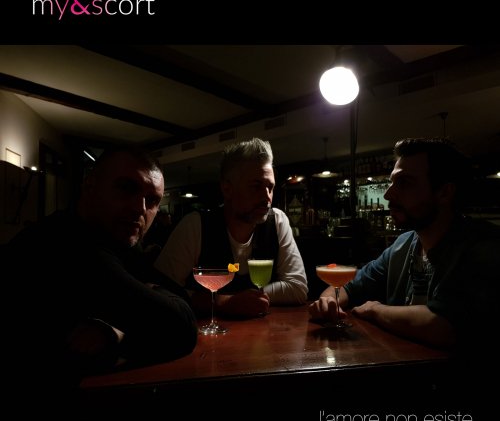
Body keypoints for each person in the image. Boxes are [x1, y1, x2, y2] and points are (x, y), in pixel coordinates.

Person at [1, 147, 198, 418]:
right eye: (126, 188)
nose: (140, 209)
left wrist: (114, 330)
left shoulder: (119, 244)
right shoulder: (66, 245)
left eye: (152, 200)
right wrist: (129, 326)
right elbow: (180, 327)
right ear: (90, 185)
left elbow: (181, 301)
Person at [309, 137, 500, 353]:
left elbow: (443, 326)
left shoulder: (485, 247)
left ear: (444, 192)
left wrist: (376, 310)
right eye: (392, 182)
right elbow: (350, 286)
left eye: (405, 183)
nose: (388, 194)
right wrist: (329, 302)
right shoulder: (404, 244)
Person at [154, 137, 308, 318]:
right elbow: (158, 290)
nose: (267, 197)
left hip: (265, 333)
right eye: (256, 186)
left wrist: (249, 298)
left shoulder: (277, 221)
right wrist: (224, 302)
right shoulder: (195, 225)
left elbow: (298, 288)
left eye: (270, 187)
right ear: (227, 189)